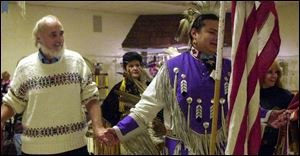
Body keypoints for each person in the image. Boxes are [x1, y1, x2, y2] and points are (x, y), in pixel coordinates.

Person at [99, 7, 292, 155]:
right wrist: (118, 131)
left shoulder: (229, 69)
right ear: (194, 34)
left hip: (220, 149)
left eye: (221, 32)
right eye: (212, 31)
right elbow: (145, 109)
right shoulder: (172, 68)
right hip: (182, 149)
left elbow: (240, 107)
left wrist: (267, 116)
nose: (218, 37)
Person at [1, 15, 111, 155]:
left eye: (61, 34)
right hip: (35, 150)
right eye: (53, 35)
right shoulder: (25, 67)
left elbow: (91, 97)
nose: (59, 39)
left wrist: (98, 127)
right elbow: (13, 102)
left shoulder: (76, 61)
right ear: (38, 38)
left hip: (74, 147)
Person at [101, 51, 165, 154]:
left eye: (137, 65)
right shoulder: (119, 89)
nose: (135, 68)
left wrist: (159, 122)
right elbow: (106, 110)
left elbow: (159, 105)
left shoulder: (150, 85)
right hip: (131, 136)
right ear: (125, 68)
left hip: (152, 133)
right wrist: (120, 124)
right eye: (131, 66)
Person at [258, 60, 294, 155]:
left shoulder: (286, 96)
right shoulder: (252, 96)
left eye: (276, 72)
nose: (274, 76)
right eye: (270, 72)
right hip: (256, 146)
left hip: (277, 148)